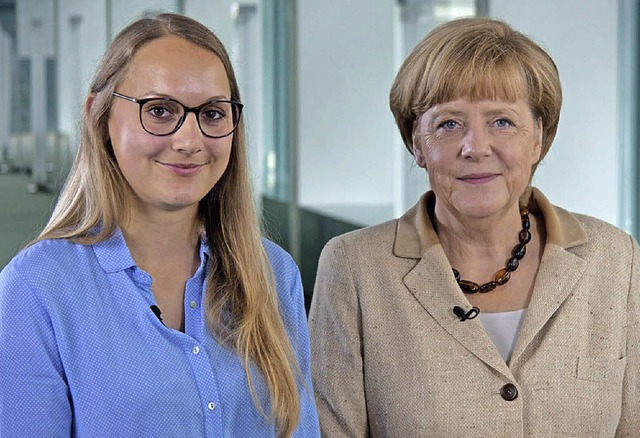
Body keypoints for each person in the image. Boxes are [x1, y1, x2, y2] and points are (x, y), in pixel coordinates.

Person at [308, 17, 639, 437]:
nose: (475, 147)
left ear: (538, 137)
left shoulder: (614, 259)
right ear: (417, 144)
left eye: (501, 121)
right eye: (449, 124)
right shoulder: (355, 268)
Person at [0, 12, 319, 437]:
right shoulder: (37, 289)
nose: (189, 141)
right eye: (160, 110)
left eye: (212, 114)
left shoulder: (274, 274)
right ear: (101, 117)